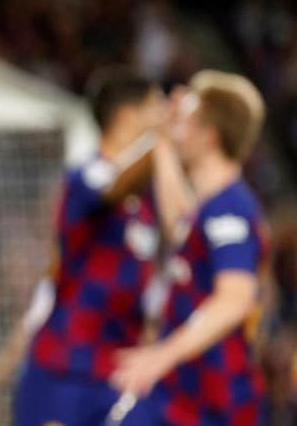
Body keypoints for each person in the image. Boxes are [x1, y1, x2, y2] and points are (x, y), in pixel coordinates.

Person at [111, 71, 267, 425]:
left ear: (208, 135)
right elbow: (179, 222)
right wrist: (164, 142)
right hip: (184, 393)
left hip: (214, 399)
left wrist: (162, 355)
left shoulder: (230, 209)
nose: (178, 128)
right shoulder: (210, 207)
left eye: (186, 121)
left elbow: (235, 298)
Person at [13, 69, 163, 426]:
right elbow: (113, 187)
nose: (164, 117)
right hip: (65, 367)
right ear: (128, 115)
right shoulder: (85, 176)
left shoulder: (146, 200)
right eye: (156, 107)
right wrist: (162, 142)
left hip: (119, 370)